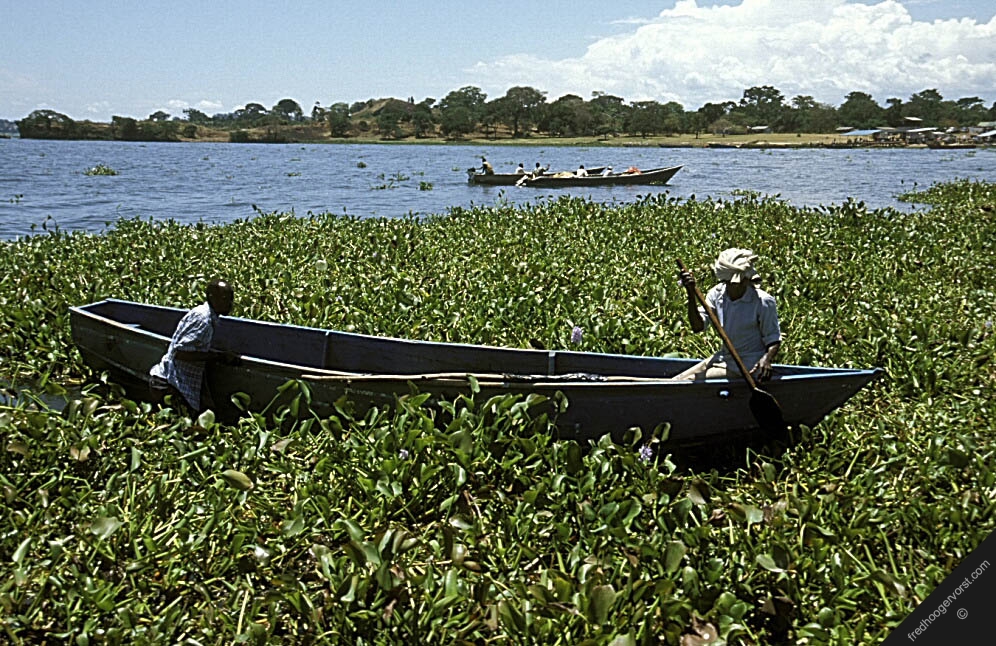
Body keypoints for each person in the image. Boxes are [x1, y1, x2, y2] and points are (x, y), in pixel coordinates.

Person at [673, 249, 781, 381]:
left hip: (748, 366)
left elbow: (773, 339)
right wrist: (691, 293)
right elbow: (698, 327)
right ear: (726, 281)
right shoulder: (716, 294)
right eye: (735, 283)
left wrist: (766, 359)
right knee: (678, 379)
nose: (740, 286)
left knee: (688, 381)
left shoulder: (763, 301)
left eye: (744, 281)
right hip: (725, 358)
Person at [149, 279, 239, 412]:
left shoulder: (208, 315)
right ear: (211, 297)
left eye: (231, 299)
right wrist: (219, 356)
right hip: (169, 383)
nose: (230, 304)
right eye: (225, 299)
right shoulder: (204, 320)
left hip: (179, 383)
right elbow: (181, 353)